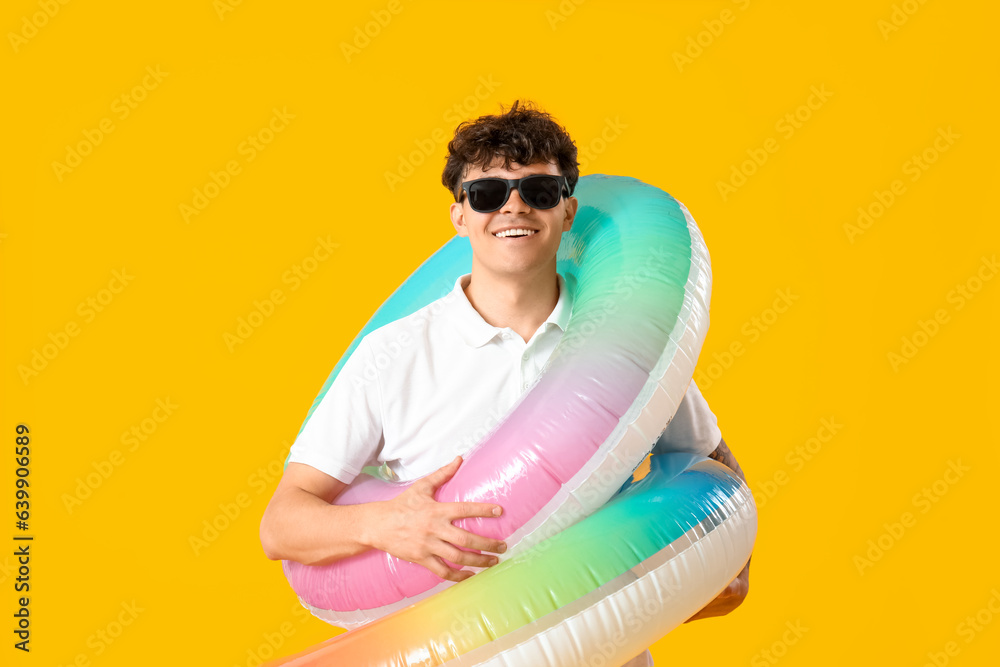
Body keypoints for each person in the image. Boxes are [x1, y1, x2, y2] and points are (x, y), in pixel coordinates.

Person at [260, 100, 751, 667]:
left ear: (568, 211)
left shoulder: (624, 350)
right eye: (488, 193)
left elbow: (709, 478)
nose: (513, 207)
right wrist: (384, 523)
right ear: (460, 217)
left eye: (538, 191)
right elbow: (282, 526)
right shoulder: (392, 356)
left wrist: (699, 567)